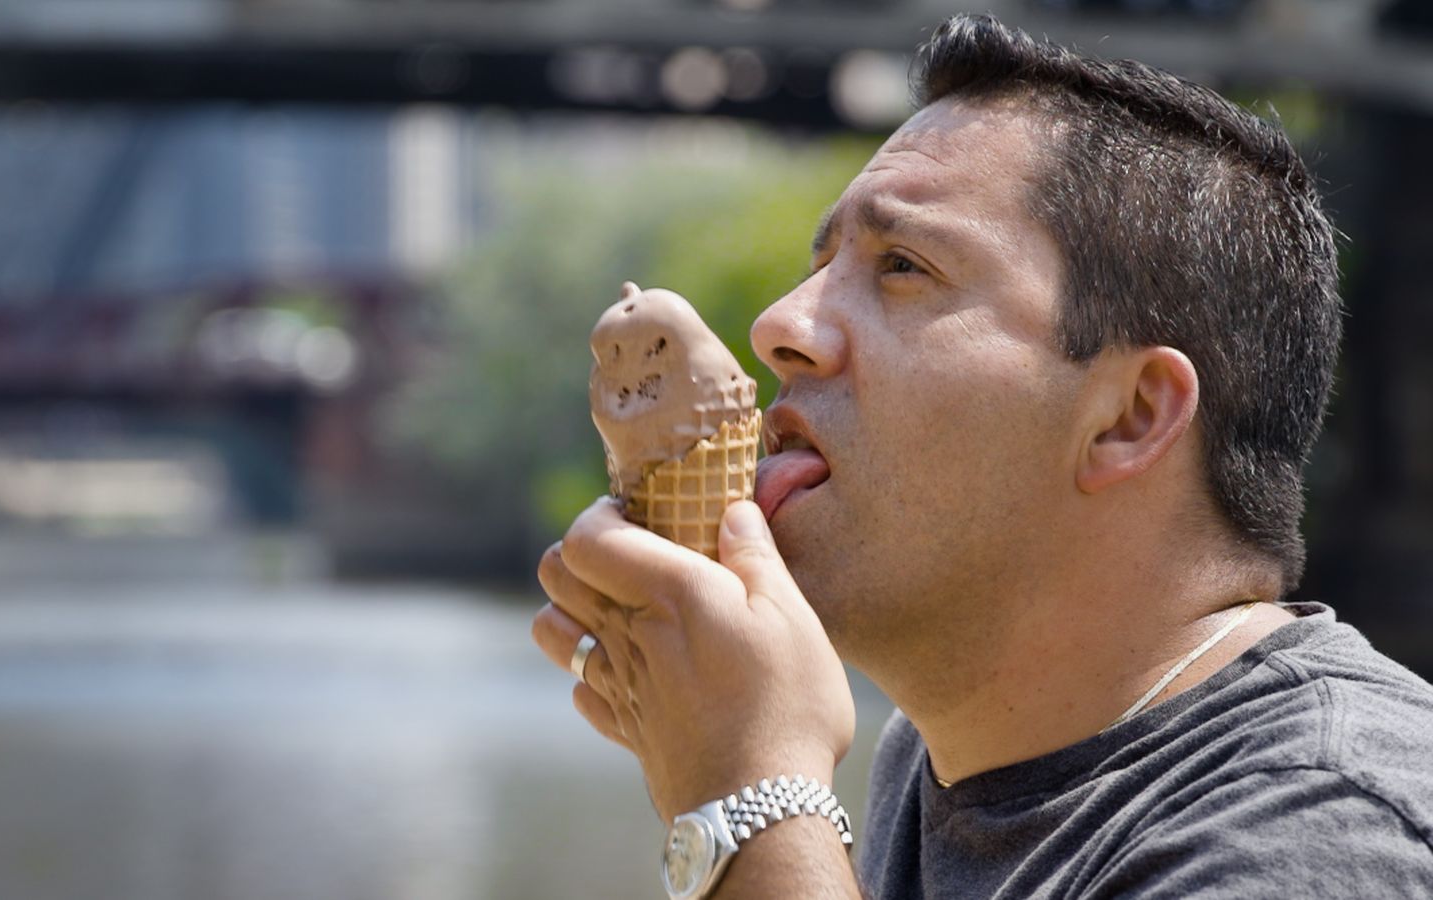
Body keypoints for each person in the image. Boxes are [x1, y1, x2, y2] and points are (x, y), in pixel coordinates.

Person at [532, 13, 1433, 899]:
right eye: (821, 267)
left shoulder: (1321, 829)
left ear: (1130, 416)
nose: (779, 327)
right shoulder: (934, 763)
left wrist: (752, 798)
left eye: (903, 267)